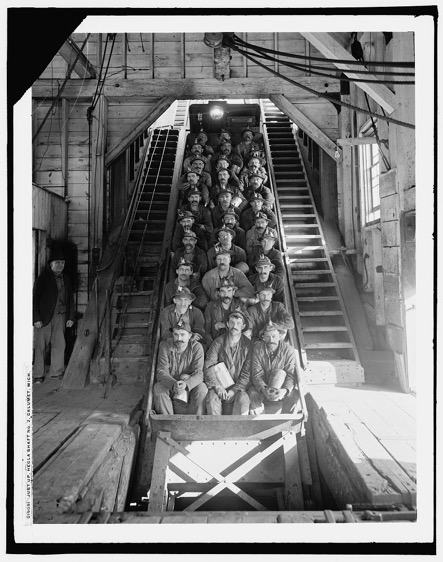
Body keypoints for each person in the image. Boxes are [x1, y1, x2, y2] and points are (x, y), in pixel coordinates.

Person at [33, 249, 75, 384]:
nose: (60, 265)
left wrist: (70, 317)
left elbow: (70, 300)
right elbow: (34, 299)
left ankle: (56, 372)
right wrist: (36, 319)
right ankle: (38, 374)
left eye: (62, 262)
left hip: (61, 317)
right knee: (40, 346)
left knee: (59, 344)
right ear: (51, 264)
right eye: (57, 262)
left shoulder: (67, 279)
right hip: (44, 318)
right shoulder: (43, 278)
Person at [154, 320, 208, 415]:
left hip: (189, 385)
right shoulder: (165, 346)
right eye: (176, 334)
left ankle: (196, 422)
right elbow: (161, 371)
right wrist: (173, 383)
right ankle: (168, 423)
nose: (179, 338)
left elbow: (199, 373)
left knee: (202, 388)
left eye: (183, 334)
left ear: (190, 335)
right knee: (158, 387)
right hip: (171, 384)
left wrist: (186, 384)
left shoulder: (196, 347)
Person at [204, 309, 252, 415]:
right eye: (231, 322)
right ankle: (214, 429)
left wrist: (234, 390)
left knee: (243, 399)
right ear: (227, 324)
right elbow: (209, 366)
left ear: (243, 326)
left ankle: (239, 430)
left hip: (239, 387)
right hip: (220, 386)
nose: (234, 326)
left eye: (238, 323)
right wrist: (217, 386)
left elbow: (247, 374)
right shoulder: (218, 342)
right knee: (211, 398)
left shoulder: (249, 346)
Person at [248, 321, 300, 415]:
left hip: (280, 388)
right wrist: (264, 389)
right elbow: (256, 374)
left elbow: (290, 375)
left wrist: (284, 390)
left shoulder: (288, 350)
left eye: (274, 336)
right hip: (263, 387)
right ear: (263, 337)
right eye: (267, 336)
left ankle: (285, 426)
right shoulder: (258, 349)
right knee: (252, 393)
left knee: (294, 395)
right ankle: (259, 422)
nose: (271, 340)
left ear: (280, 335)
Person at [204, 277, 250, 342]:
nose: (226, 295)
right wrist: (212, 345)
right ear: (219, 293)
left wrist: (225, 324)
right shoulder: (210, 306)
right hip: (216, 343)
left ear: (233, 292)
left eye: (229, 291)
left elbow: (248, 324)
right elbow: (207, 330)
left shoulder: (239, 305)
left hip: (235, 343)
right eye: (223, 291)